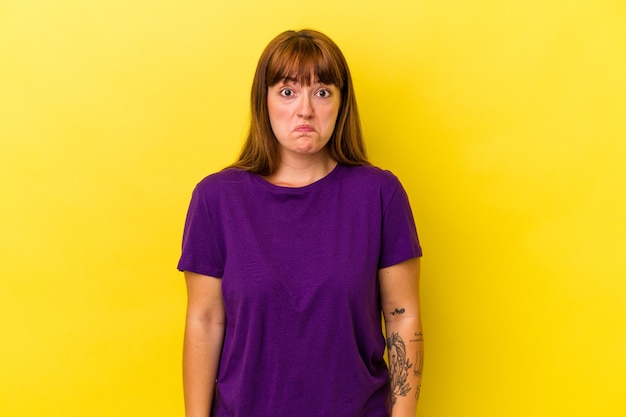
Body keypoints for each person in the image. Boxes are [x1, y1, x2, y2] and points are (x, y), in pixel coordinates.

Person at [178, 29, 423, 417]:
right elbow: (205, 320)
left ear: (342, 104)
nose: (305, 110)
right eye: (288, 91)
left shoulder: (380, 194)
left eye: (322, 91)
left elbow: (402, 314)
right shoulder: (216, 198)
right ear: (265, 101)